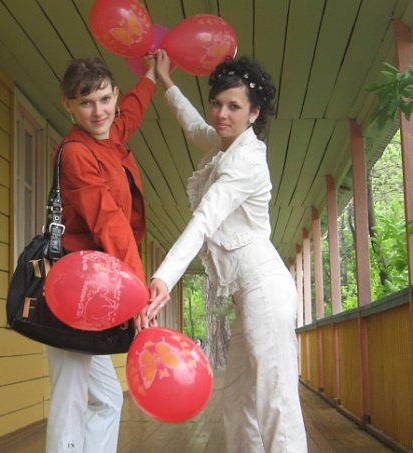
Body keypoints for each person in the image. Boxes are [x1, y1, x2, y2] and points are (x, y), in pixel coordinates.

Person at [146, 50, 308, 453]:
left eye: (234, 107)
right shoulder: (224, 146)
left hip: (265, 290)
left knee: (276, 402)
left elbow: (205, 219)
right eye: (217, 103)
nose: (222, 114)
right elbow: (194, 127)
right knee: (237, 403)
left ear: (254, 113)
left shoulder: (246, 161)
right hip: (247, 295)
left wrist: (164, 277)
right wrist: (166, 80)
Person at [46, 56, 156, 453]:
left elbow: (129, 115)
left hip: (93, 292)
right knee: (71, 399)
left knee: (107, 399)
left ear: (115, 95)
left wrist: (151, 77)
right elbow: (109, 222)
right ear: (68, 105)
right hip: (72, 290)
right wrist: (139, 291)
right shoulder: (77, 152)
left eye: (106, 99)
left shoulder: (109, 135)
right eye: (86, 103)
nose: (99, 112)